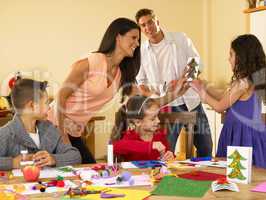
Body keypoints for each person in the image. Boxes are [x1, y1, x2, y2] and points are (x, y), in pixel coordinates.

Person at [47, 18, 141, 164]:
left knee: (89, 169)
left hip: (73, 132)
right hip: (53, 125)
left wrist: (176, 92)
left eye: (138, 39)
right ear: (118, 37)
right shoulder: (93, 61)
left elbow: (142, 99)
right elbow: (61, 95)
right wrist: (61, 132)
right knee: (71, 171)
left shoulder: (122, 73)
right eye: (133, 38)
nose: (137, 43)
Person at [135, 8, 213, 156]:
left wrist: (181, 81)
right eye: (143, 25)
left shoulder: (180, 39)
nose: (147, 27)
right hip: (167, 107)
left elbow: (197, 64)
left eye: (150, 22)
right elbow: (141, 84)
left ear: (157, 21)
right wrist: (158, 92)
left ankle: (201, 177)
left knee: (206, 147)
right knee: (165, 152)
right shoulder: (141, 52)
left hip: (192, 102)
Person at [191, 34, 266, 168]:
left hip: (241, 135)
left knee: (239, 170)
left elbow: (220, 106)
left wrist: (201, 92)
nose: (228, 59)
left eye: (231, 54)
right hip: (242, 131)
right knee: (245, 171)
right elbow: (224, 96)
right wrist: (204, 84)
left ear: (242, 58)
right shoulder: (248, 80)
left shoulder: (243, 83)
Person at [0, 79, 81, 170]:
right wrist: (12, 162)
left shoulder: (50, 129)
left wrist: (54, 159)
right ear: (32, 106)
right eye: (46, 102)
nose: (49, 106)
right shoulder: (5, 134)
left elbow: (75, 156)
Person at [111, 95, 174, 161]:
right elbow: (117, 146)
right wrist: (150, 146)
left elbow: (167, 156)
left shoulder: (160, 136)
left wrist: (170, 156)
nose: (158, 121)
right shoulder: (130, 136)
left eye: (157, 116)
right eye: (153, 119)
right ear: (138, 122)